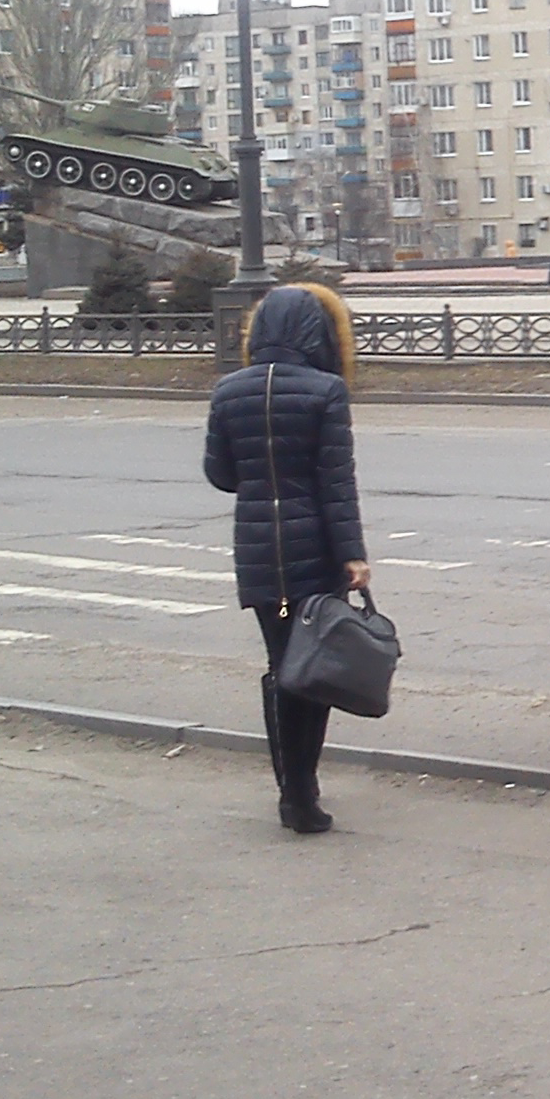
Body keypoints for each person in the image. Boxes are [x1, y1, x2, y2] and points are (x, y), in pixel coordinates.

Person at [203, 283, 371, 835]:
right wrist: (353, 556)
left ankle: (291, 791)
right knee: (313, 671)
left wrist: (259, 473)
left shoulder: (228, 391)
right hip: (314, 560)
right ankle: (303, 791)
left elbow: (220, 475)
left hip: (259, 558)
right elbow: (336, 485)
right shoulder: (326, 391)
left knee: (283, 666)